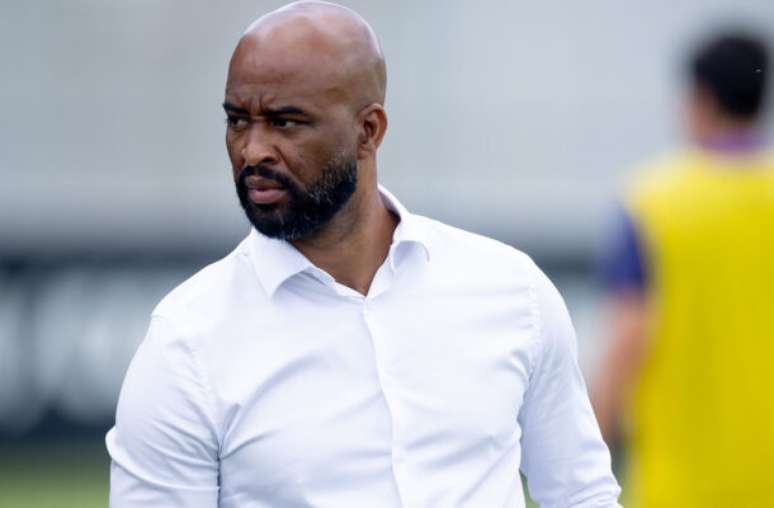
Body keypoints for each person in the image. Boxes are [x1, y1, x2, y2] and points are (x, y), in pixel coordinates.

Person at [106, 2, 620, 506]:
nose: (252, 150)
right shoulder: (186, 343)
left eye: (285, 122)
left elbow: (581, 494)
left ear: (368, 131)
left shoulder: (513, 294)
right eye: (238, 120)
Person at [592, 30, 773, 508]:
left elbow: (629, 335)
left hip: (680, 483)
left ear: (701, 98)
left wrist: (588, 443)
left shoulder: (651, 201)